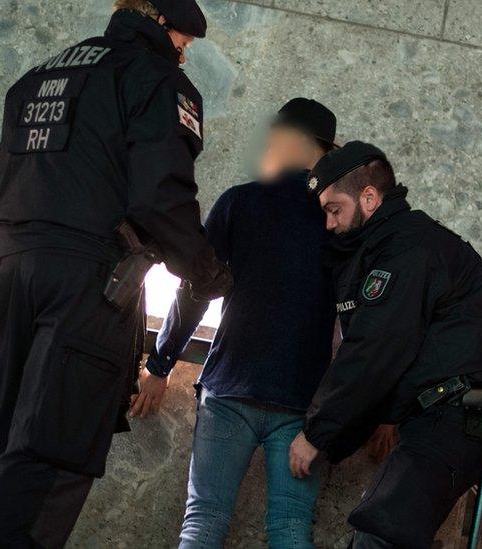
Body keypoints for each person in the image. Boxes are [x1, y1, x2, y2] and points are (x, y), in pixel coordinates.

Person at [0, 1, 233, 546]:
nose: (184, 54)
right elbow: (161, 197)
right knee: (52, 448)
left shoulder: (40, 75)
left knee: (6, 441)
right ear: (159, 21)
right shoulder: (155, 80)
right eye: (184, 41)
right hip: (90, 283)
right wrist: (207, 272)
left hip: (15, 271)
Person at [134, 98, 338, 549]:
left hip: (229, 387)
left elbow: (195, 290)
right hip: (302, 403)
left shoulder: (240, 202)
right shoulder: (339, 221)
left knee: (203, 522)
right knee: (289, 528)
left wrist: (162, 363)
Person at [288, 141, 482, 548]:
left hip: (456, 417)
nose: (329, 224)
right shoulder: (398, 243)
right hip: (448, 415)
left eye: (334, 209)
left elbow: (374, 349)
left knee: (379, 534)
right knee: (383, 533)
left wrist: (318, 433)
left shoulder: (404, 251)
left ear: (369, 197)